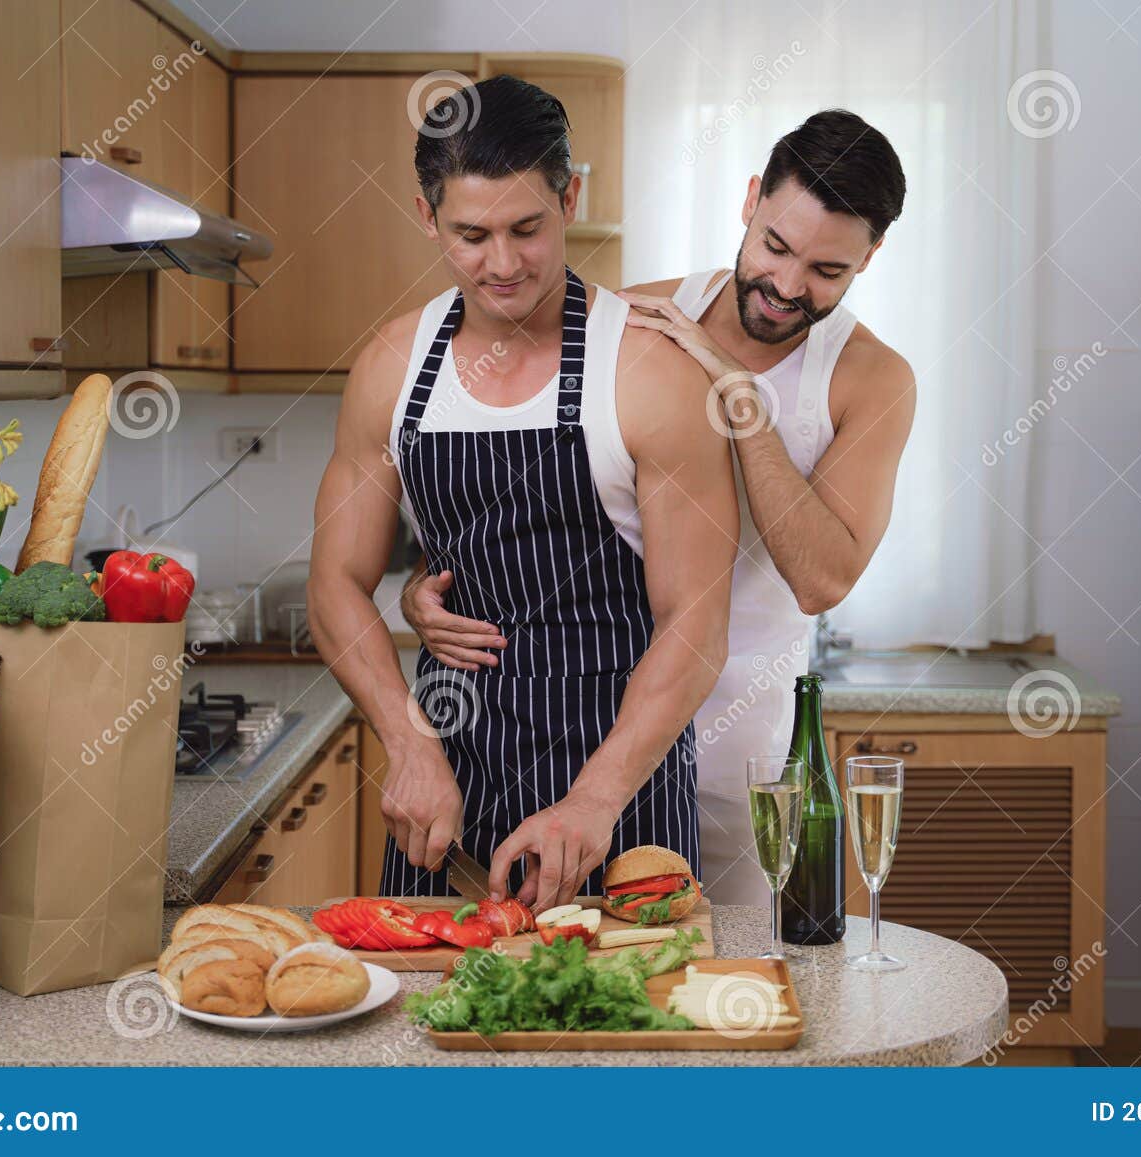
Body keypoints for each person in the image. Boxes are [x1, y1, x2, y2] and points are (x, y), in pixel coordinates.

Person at [402, 109, 916, 903]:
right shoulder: (636, 315)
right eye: (775, 247)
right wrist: (427, 588)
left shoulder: (872, 378)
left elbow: (821, 579)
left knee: (711, 987)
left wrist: (738, 396)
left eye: (827, 271)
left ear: (871, 258)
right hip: (597, 722)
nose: (785, 286)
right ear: (750, 201)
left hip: (738, 748)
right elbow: (532, 493)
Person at [308, 75, 739, 912]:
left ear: (570, 197)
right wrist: (406, 743)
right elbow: (334, 583)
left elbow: (697, 622)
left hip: (623, 787)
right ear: (427, 215)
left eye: (527, 228)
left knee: (623, 1025)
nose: (502, 264)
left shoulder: (648, 372)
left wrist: (595, 798)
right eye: (471, 234)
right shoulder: (393, 368)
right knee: (435, 1024)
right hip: (446, 784)